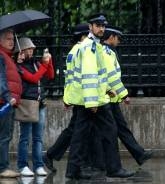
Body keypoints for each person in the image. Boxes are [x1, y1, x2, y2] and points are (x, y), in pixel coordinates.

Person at [63, 13, 134, 179]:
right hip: (94, 101)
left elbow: (106, 75)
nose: (101, 28)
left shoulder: (95, 46)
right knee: (110, 131)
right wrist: (92, 103)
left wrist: (120, 93)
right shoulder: (90, 48)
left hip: (90, 99)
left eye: (103, 26)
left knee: (79, 135)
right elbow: (88, 77)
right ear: (90, 27)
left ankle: (73, 171)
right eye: (98, 25)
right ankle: (114, 168)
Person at [102, 25, 153, 166]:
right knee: (108, 131)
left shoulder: (110, 52)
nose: (119, 41)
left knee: (120, 128)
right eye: (118, 38)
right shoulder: (106, 53)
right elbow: (112, 77)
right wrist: (124, 94)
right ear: (111, 37)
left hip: (111, 98)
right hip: (107, 98)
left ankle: (139, 154)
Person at [43, 23, 90, 173]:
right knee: (78, 131)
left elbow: (69, 77)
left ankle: (52, 155)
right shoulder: (81, 50)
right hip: (83, 97)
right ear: (83, 36)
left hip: (77, 96)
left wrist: (68, 97)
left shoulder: (73, 50)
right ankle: (78, 165)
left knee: (74, 130)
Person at [14, 37, 54, 176]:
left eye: (32, 49)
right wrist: (44, 65)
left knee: (38, 137)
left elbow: (50, 75)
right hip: (27, 105)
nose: (31, 51)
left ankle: (38, 165)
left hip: (39, 104)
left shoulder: (37, 63)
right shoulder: (18, 66)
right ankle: (22, 165)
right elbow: (33, 78)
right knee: (25, 137)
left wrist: (49, 62)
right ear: (21, 50)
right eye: (28, 49)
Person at [0, 29, 22, 178]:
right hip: (4, 103)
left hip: (8, 102)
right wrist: (8, 97)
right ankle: (3, 168)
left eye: (13, 39)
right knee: (4, 136)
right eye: (8, 39)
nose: (12, 41)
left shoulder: (7, 57)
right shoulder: (1, 56)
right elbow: (0, 80)